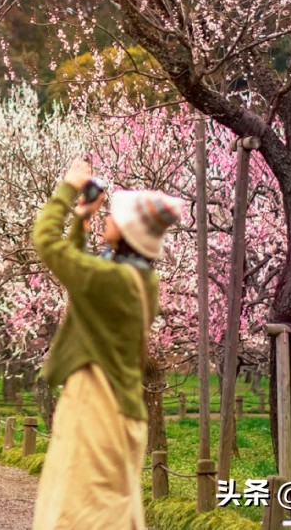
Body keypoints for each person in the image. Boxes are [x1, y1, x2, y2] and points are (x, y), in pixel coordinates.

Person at [31, 158, 183, 530]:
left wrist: (67, 189)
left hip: (97, 409)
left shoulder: (109, 281)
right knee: (109, 511)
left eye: (114, 215)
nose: (108, 217)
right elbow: (84, 274)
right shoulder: (141, 279)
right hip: (121, 412)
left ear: (129, 230)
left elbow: (45, 243)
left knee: (80, 513)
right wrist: (81, 222)